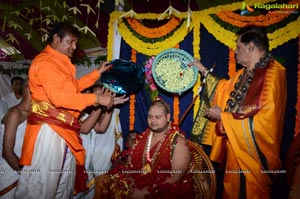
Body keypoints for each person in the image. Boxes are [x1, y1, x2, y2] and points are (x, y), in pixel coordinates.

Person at [15, 21, 129, 199]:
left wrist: (97, 73)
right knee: (41, 188)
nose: (74, 47)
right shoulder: (46, 62)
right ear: (56, 39)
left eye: (75, 42)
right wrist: (98, 98)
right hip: (49, 130)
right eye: (70, 41)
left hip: (63, 130)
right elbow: (59, 98)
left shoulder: (60, 63)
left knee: (61, 188)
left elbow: (73, 89)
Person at [190, 25, 287, 198]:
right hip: (235, 151)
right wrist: (203, 70)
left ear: (251, 47)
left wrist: (223, 117)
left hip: (254, 158)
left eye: (238, 47)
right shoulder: (243, 73)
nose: (235, 52)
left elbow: (265, 123)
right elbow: (224, 89)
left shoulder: (273, 75)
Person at [94, 98, 195, 199]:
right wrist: (130, 181)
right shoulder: (145, 136)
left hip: (165, 190)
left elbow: (174, 179)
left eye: (158, 117)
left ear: (168, 117)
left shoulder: (178, 142)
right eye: (150, 116)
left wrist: (145, 192)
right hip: (140, 183)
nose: (153, 120)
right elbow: (131, 165)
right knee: (105, 183)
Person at [74, 84, 124, 199]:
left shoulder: (87, 115)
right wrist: (103, 103)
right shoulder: (75, 115)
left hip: (87, 167)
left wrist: (109, 107)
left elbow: (101, 128)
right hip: (75, 166)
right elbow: (85, 128)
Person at [0, 79, 30, 199]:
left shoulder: (34, 113)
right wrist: (26, 176)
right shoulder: (15, 113)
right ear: (28, 88)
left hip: (24, 166)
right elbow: (7, 153)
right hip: (11, 169)